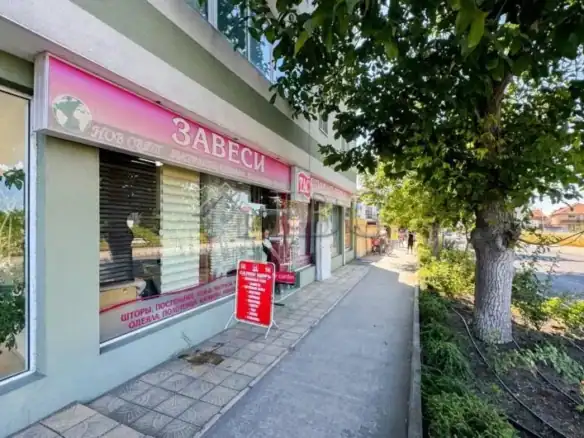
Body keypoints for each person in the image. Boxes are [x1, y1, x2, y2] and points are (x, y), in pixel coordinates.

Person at [262, 229, 281, 295]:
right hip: (267, 261)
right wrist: (278, 258)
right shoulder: (265, 241)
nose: (267, 235)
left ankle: (275, 289)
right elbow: (272, 251)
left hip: (269, 261)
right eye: (266, 234)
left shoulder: (267, 241)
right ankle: (274, 289)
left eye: (268, 234)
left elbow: (272, 250)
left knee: (273, 275)